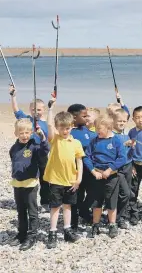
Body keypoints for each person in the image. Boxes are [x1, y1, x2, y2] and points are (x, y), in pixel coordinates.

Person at [44, 98, 85, 248]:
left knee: (67, 206)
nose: (64, 131)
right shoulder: (54, 139)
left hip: (71, 181)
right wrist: (50, 109)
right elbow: (49, 124)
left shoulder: (76, 143)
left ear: (71, 127)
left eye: (67, 128)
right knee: (55, 207)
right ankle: (52, 232)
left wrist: (78, 179)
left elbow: (79, 161)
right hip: (55, 180)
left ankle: (67, 230)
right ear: (57, 128)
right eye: (61, 128)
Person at [8, 119, 49, 250]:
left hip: (30, 184)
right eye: (21, 133)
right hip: (17, 183)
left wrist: (42, 138)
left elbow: (44, 151)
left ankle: (32, 236)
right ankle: (21, 234)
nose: (24, 135)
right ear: (16, 133)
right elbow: (13, 159)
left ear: (31, 133)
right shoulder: (14, 148)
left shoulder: (34, 146)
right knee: (20, 211)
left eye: (27, 132)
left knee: (32, 211)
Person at [84, 115, 126, 238]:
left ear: (108, 128)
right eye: (96, 128)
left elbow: (122, 157)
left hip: (111, 176)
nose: (97, 131)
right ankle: (95, 224)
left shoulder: (116, 140)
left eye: (99, 128)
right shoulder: (94, 140)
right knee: (97, 202)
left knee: (111, 201)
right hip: (97, 175)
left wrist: (110, 169)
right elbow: (87, 157)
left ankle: (112, 224)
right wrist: (93, 171)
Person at [9, 85, 50, 212]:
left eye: (38, 110)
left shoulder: (46, 124)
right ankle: (26, 198)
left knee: (44, 178)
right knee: (29, 176)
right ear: (30, 110)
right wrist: (13, 96)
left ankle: (45, 201)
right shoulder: (26, 119)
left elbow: (49, 140)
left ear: (43, 110)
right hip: (28, 153)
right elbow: (16, 110)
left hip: (40, 154)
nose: (36, 112)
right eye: (33, 110)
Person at [67, 103, 97, 230]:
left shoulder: (89, 132)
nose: (87, 118)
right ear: (74, 117)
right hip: (76, 170)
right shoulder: (70, 133)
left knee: (94, 193)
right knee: (76, 196)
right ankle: (73, 224)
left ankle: (84, 210)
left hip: (90, 169)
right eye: (84, 116)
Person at [112, 108, 132, 229]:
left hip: (128, 165)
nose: (122, 123)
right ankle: (115, 218)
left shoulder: (126, 134)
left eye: (124, 121)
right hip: (117, 168)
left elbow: (128, 153)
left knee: (126, 191)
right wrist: (124, 145)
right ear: (113, 120)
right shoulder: (112, 135)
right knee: (123, 193)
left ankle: (122, 216)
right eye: (119, 121)